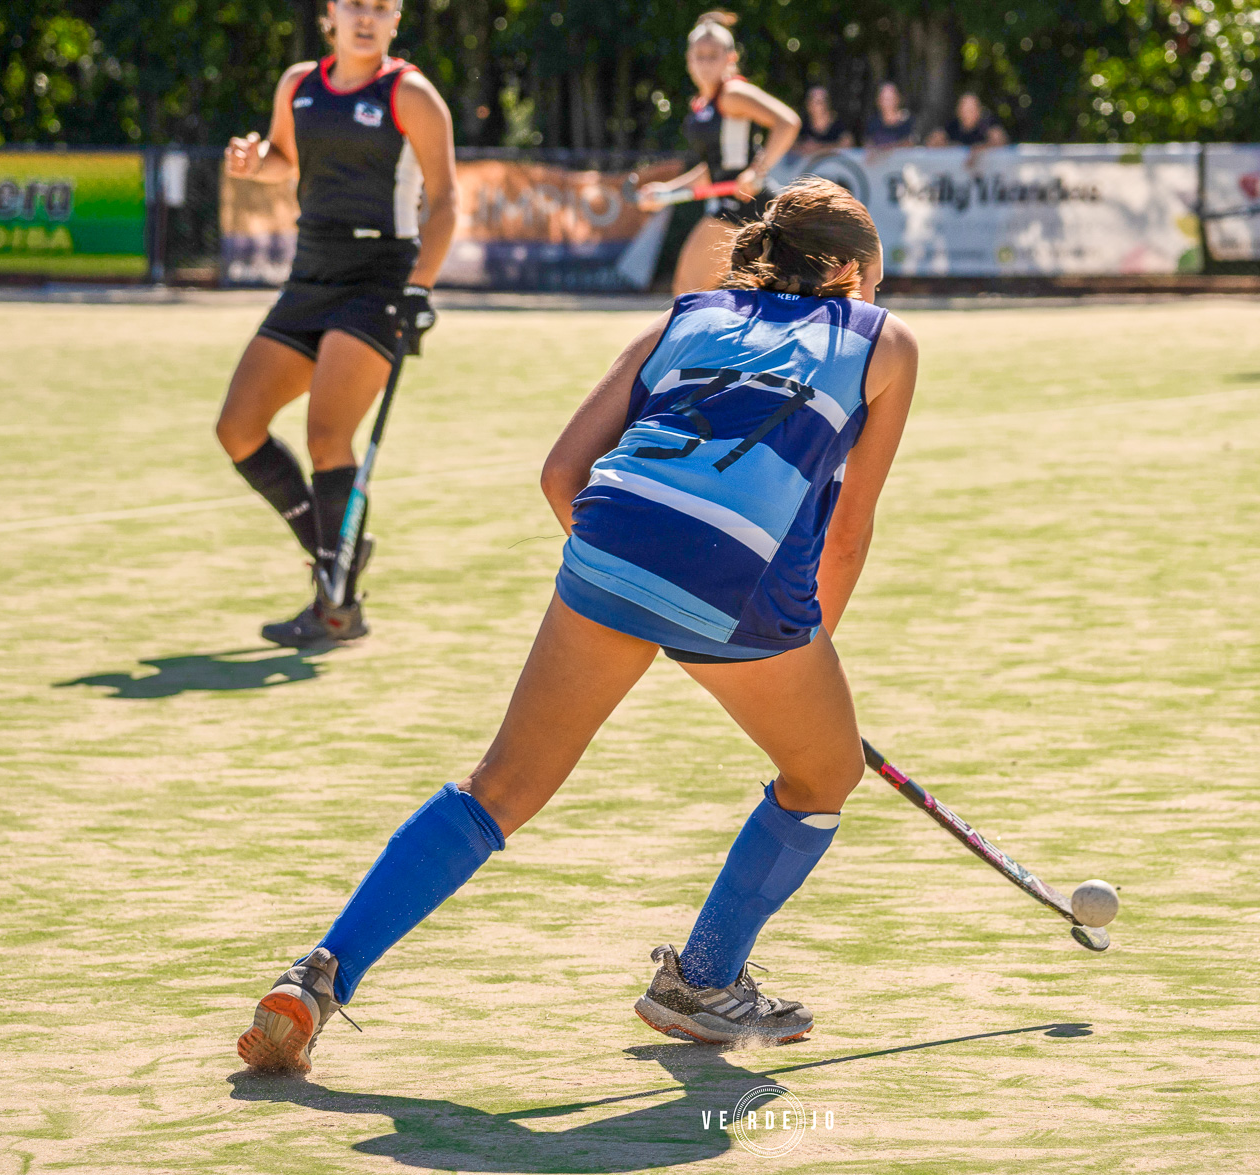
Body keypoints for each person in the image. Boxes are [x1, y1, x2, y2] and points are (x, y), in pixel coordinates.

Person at [235, 177, 920, 1071]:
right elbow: (851, 524)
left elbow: (563, 472)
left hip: (609, 543)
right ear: (846, 270)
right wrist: (798, 653)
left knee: (501, 785)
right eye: (874, 273)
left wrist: (632, 586)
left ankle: (320, 973)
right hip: (740, 587)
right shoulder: (886, 341)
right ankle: (704, 980)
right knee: (824, 766)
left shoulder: (680, 318)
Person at [215, 0, 460, 646]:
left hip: (378, 279)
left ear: (396, 19)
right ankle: (336, 554)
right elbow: (283, 158)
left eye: (381, 8)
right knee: (237, 427)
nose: (365, 18)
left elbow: (446, 202)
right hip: (310, 272)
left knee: (327, 435)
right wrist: (252, 158)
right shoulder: (298, 84)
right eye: (355, 4)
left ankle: (337, 606)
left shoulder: (411, 94)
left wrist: (418, 289)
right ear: (331, 11)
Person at [637, 11, 801, 295]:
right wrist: (667, 191)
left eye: (713, 55)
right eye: (698, 55)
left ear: (730, 57)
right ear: (688, 60)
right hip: (729, 205)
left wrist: (757, 171)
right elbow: (713, 173)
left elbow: (788, 123)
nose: (704, 63)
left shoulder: (732, 93)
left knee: (688, 293)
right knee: (700, 294)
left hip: (744, 206)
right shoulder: (704, 104)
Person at [925, 92, 1008, 148]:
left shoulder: (987, 123)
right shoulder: (953, 125)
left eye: (971, 110)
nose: (967, 114)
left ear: (979, 111)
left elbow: (1000, 141)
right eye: (964, 109)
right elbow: (931, 142)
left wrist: (981, 149)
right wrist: (951, 146)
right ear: (958, 111)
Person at [795, 85, 852, 151]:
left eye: (818, 102)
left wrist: (819, 147)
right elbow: (791, 144)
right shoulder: (803, 123)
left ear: (827, 103)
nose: (813, 105)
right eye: (811, 100)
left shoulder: (838, 123)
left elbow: (847, 144)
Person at [863, 81, 916, 148]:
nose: (888, 102)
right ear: (878, 101)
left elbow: (910, 142)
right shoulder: (873, 122)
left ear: (898, 98)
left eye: (891, 98)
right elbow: (868, 143)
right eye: (885, 98)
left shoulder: (908, 121)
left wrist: (887, 149)